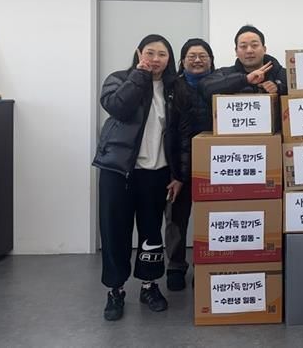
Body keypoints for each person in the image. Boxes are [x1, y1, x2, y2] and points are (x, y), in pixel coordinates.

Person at [92, 34, 182, 321]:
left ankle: (149, 285)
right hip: (119, 171)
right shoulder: (119, 79)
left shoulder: (173, 89)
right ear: (139, 53)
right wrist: (139, 76)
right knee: (115, 232)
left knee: (151, 233)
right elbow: (118, 107)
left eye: (162, 54)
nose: (155, 59)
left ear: (169, 59)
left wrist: (177, 174)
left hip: (156, 173)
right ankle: (115, 290)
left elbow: (180, 133)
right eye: (150, 53)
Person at [164, 38, 215, 292]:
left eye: (202, 56)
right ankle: (175, 265)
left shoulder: (220, 85)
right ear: (182, 61)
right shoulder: (171, 88)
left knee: (210, 219)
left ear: (211, 60)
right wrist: (176, 172)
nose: (197, 60)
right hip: (176, 165)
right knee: (176, 218)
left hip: (213, 166)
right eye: (191, 56)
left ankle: (203, 265)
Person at [198, 25, 287, 99]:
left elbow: (294, 92)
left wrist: (279, 88)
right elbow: (206, 88)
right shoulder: (225, 73)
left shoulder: (283, 74)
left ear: (264, 49)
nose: (249, 50)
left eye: (254, 45)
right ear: (236, 51)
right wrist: (245, 79)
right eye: (243, 46)